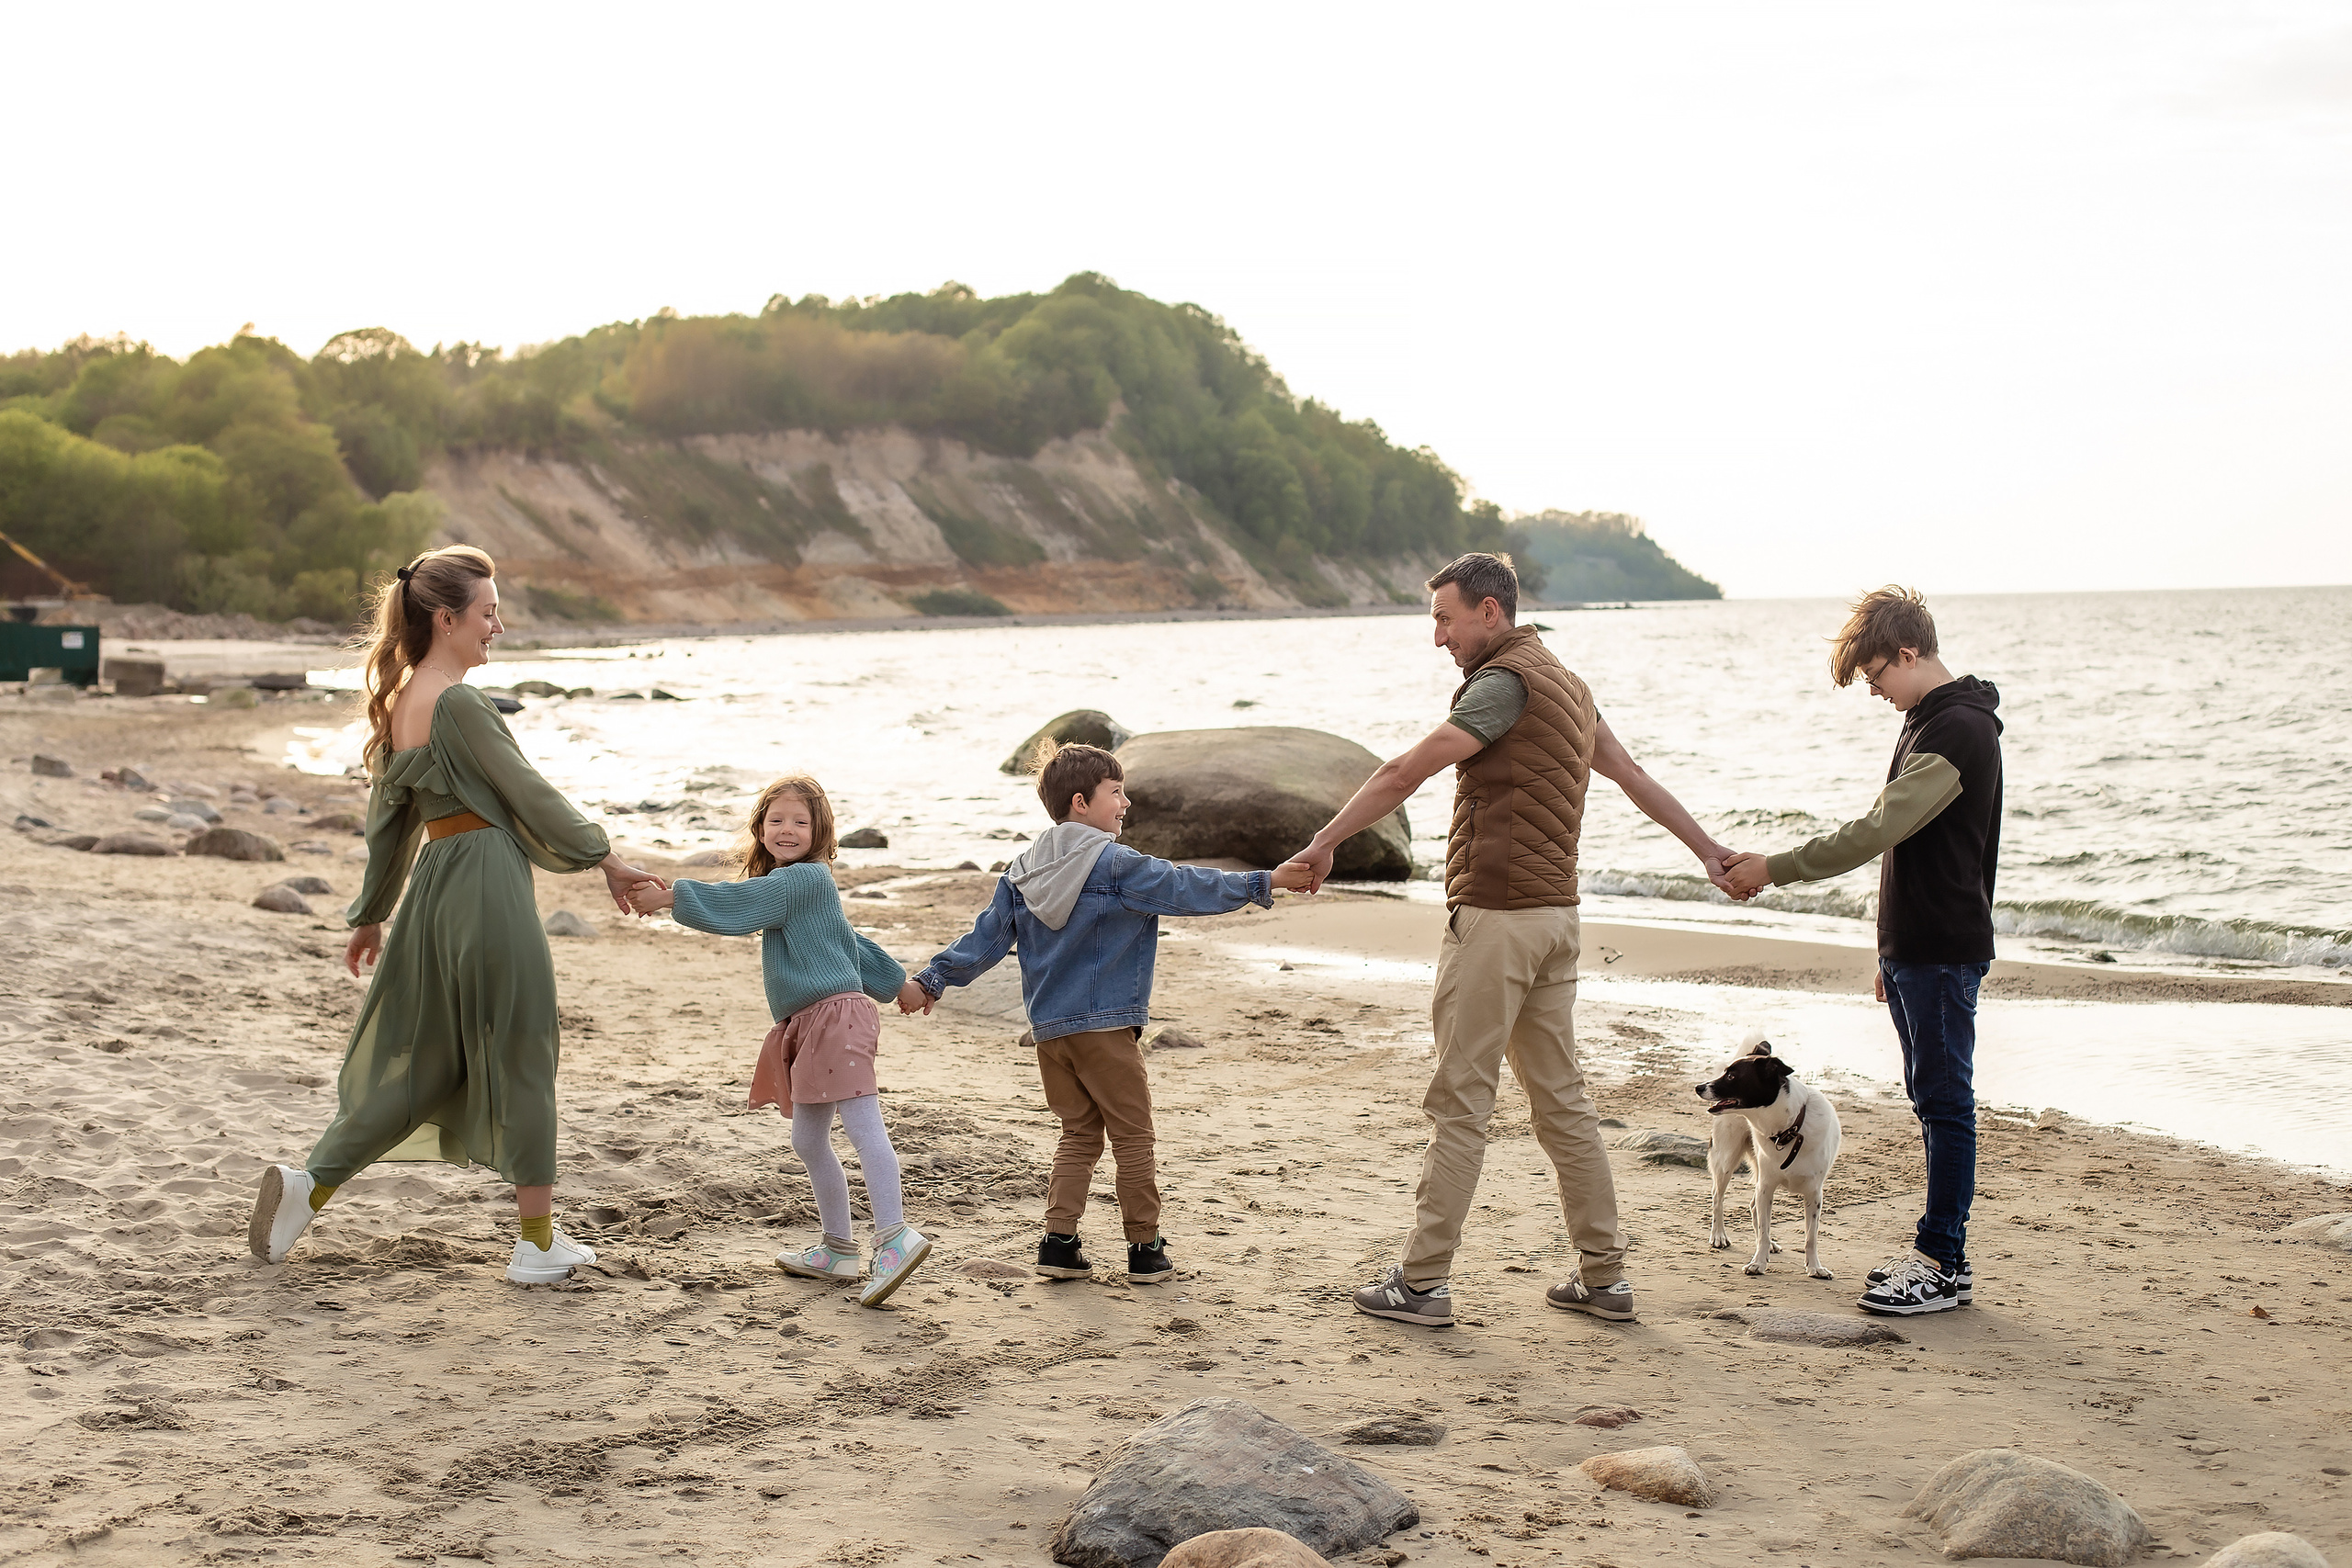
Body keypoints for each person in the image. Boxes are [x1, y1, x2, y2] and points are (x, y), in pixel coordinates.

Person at [1283, 551, 1736, 1329]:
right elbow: (1630, 774)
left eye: (1446, 619)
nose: (1439, 638)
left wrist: (1323, 841)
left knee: (1461, 1101)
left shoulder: (1504, 685)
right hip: (1557, 919)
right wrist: (1708, 853)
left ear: (1490, 612)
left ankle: (1421, 1282)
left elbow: (1404, 772)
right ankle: (1606, 1277)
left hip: (1495, 918)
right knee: (1563, 1103)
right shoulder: (1567, 682)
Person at [246, 546, 666, 1284]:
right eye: (487, 612)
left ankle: (309, 1186)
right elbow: (528, 792)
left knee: (429, 1063)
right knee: (525, 1046)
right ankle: (536, 1243)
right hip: (486, 883)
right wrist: (608, 859)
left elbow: (390, 825)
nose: (497, 626)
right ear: (446, 618)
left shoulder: (405, 701)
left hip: (435, 892)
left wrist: (372, 914)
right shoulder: (463, 704)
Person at [899, 743, 1315, 1285]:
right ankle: (1145, 1249)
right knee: (1133, 1137)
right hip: (1105, 1028)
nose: (1125, 802)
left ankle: (1059, 1242)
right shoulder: (1116, 864)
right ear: (1080, 803)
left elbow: (986, 940)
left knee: (1079, 1133)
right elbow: (1185, 887)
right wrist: (1264, 882)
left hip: (1050, 1033)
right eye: (1115, 792)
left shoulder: (1021, 871)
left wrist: (932, 980)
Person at [1722, 586, 2001, 1317]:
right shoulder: (1926, 720)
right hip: (1916, 948)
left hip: (1944, 948)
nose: (1874, 691)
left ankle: (1941, 1261)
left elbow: (1878, 829)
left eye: (1876, 675)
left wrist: (1775, 866)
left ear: (1908, 652)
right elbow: (1909, 851)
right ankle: (1947, 1261)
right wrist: (1888, 950)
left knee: (1946, 1106)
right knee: (1932, 1101)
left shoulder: (1962, 729)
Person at [626, 775, 926, 1308]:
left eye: (800, 821)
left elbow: (743, 900)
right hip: (809, 1022)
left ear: (820, 832)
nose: (787, 830)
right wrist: (897, 982)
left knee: (864, 1129)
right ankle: (838, 1248)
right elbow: (850, 942)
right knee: (809, 1141)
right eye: (776, 820)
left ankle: (893, 1238)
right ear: (760, 829)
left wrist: (671, 896)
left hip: (835, 1018)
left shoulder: (805, 879)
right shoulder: (800, 890)